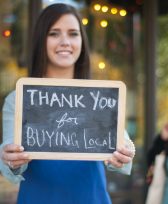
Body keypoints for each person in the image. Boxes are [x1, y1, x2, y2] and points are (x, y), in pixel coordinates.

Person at [0, 4, 135, 204]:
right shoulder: (19, 98)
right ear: (41, 40)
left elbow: (121, 155)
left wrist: (124, 155)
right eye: (54, 33)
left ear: (82, 41)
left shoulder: (100, 97)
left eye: (73, 34)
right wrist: (10, 160)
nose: (65, 42)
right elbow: (11, 166)